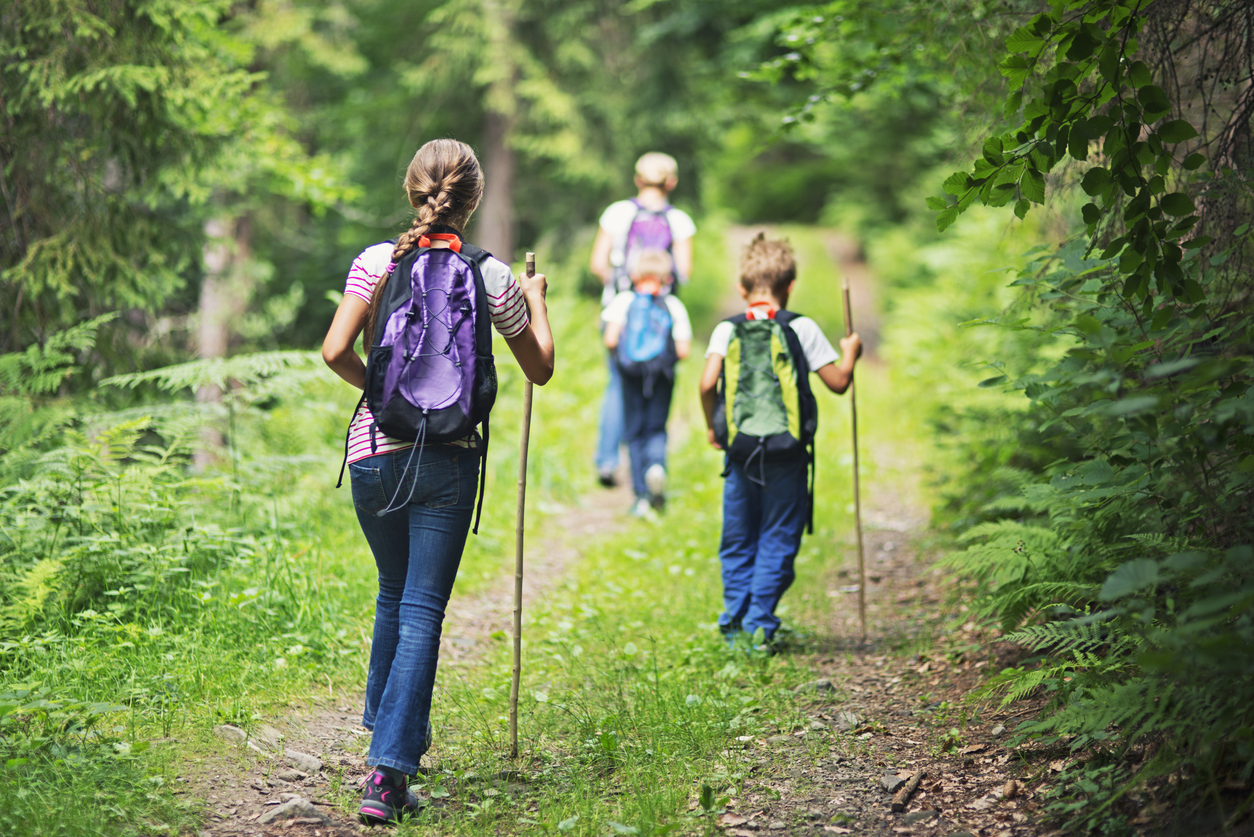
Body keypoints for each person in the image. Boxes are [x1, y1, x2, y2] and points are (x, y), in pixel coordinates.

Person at [321, 139, 554, 824]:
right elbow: (539, 367)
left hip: (373, 456)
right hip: (447, 461)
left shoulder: (374, 263)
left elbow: (334, 350)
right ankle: (388, 773)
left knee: (394, 590)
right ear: (472, 198)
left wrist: (385, 397)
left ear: (410, 190)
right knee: (422, 606)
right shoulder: (491, 276)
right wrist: (536, 301)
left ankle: (386, 726)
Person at [698, 234, 861, 648]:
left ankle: (735, 628)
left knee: (737, 538)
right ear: (790, 286)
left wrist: (713, 426)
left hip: (740, 451)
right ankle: (761, 626)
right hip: (788, 454)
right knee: (778, 536)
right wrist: (850, 353)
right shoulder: (800, 326)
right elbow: (838, 383)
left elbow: (706, 383)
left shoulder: (726, 330)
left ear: (742, 288)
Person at [589, 152, 696, 487]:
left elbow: (597, 263)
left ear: (637, 179)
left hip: (619, 312)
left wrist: (621, 290)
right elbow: (685, 272)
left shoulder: (618, 213)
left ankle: (608, 462)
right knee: (658, 385)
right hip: (662, 319)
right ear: (672, 182)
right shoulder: (679, 221)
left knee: (617, 384)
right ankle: (653, 456)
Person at [602, 249, 692, 517]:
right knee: (657, 428)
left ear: (633, 275)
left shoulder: (623, 301)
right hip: (662, 378)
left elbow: (610, 339)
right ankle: (657, 468)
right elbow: (684, 350)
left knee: (634, 432)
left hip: (631, 377)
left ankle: (641, 495)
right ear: (667, 278)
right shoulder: (673, 305)